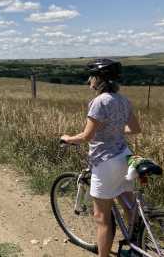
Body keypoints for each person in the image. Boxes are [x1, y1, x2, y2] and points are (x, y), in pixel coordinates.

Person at [60, 58, 142, 257]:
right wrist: (113, 129)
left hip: (106, 163)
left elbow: (86, 136)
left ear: (100, 79)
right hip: (125, 157)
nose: (90, 80)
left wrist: (68, 138)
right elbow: (135, 129)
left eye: (92, 76)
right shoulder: (123, 100)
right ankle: (135, 247)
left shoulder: (99, 102)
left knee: (102, 218)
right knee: (129, 207)